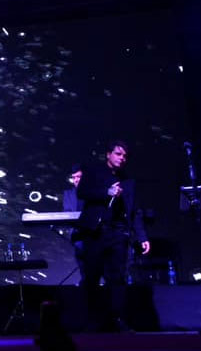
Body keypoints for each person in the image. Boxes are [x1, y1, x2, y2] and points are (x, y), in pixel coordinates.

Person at [76, 141, 150, 331]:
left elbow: (135, 210)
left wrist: (142, 236)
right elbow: (82, 192)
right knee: (92, 276)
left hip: (118, 232)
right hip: (96, 231)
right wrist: (106, 192)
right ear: (108, 154)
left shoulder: (128, 181)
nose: (122, 158)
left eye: (125, 156)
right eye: (118, 154)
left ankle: (117, 319)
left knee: (117, 278)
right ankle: (91, 321)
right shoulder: (93, 171)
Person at [62, 165, 86, 283]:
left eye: (79, 177)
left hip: (94, 232)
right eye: (74, 177)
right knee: (82, 258)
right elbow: (67, 212)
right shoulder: (68, 194)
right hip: (78, 232)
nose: (76, 180)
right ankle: (85, 281)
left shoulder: (93, 193)